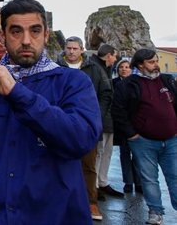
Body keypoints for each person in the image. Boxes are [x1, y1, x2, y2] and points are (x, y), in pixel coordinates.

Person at [0, 0, 101, 225]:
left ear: (46, 34)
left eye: (35, 31)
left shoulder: (73, 81)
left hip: (54, 214)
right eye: (16, 31)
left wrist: (17, 93)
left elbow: (80, 140)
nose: (26, 40)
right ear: (2, 36)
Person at [112, 49, 177, 225]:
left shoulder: (167, 80)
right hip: (143, 142)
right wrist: (132, 135)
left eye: (156, 61)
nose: (156, 65)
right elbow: (118, 111)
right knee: (149, 180)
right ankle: (156, 213)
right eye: (151, 62)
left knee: (175, 177)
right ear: (140, 64)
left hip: (171, 140)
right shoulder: (128, 84)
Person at [57, 35, 113, 220]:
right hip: (62, 124)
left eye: (75, 48)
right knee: (60, 163)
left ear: (82, 50)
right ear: (65, 49)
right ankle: (62, 202)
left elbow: (106, 93)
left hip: (88, 125)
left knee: (88, 166)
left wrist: (97, 114)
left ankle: (91, 204)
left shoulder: (94, 69)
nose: (71, 51)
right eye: (69, 48)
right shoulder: (55, 68)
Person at [89, 43, 123, 199]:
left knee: (106, 153)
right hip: (100, 118)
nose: (115, 59)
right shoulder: (95, 68)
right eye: (114, 56)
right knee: (98, 153)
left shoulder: (105, 68)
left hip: (108, 119)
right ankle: (94, 185)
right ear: (109, 55)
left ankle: (102, 182)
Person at [112, 57, 142, 194]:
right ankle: (128, 182)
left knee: (138, 155)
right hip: (121, 124)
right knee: (124, 155)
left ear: (132, 69)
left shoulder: (138, 83)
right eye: (121, 67)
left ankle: (139, 182)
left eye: (127, 67)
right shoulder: (113, 83)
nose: (124, 69)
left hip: (137, 124)